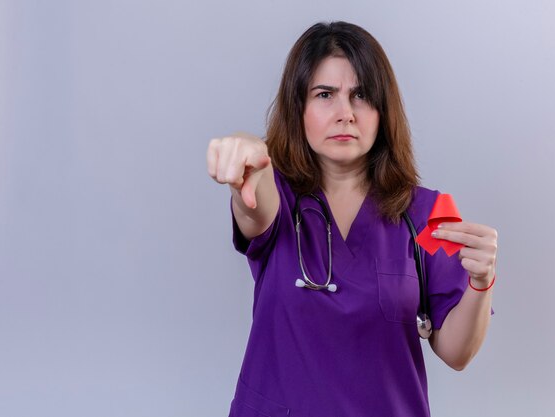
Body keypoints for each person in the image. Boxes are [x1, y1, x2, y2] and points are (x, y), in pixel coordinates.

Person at [207, 21, 497, 417]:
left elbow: (457, 353)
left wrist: (482, 283)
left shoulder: (426, 214)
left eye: (361, 95)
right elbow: (253, 204)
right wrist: (245, 151)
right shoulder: (277, 195)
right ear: (299, 108)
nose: (345, 114)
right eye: (324, 94)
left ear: (382, 110)